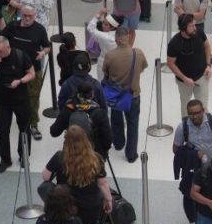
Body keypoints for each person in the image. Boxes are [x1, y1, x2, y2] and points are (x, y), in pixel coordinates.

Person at [42, 126, 113, 224]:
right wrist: (108, 199)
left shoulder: (59, 157)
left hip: (67, 206)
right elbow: (102, 183)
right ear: (86, 140)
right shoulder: (96, 158)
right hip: (91, 207)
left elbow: (46, 176)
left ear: (66, 142)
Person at [1, 4, 51, 141]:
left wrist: (43, 52)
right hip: (13, 69)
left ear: (35, 15)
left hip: (34, 70)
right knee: (11, 96)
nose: (27, 18)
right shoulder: (12, 26)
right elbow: (1, 39)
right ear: (20, 14)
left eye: (30, 15)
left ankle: (33, 125)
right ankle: (18, 121)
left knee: (33, 98)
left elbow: (47, 46)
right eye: (25, 15)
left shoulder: (39, 29)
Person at [103, 26, 148, 162]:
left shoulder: (110, 55)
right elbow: (143, 68)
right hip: (133, 95)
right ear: (128, 37)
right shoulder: (138, 53)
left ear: (116, 38)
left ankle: (118, 143)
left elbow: (106, 73)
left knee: (116, 119)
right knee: (133, 124)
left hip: (116, 95)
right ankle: (131, 154)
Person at [51, 80, 113, 158]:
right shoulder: (100, 113)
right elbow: (108, 141)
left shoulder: (68, 110)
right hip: (95, 155)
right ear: (92, 95)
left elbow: (54, 132)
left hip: (72, 154)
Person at [168, 14, 212, 113]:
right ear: (183, 28)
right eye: (191, 26)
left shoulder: (199, 32)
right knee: (185, 107)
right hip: (183, 81)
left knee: (203, 107)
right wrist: (184, 78)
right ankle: (186, 127)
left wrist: (208, 66)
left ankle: (204, 126)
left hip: (202, 76)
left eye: (195, 25)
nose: (195, 28)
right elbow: (171, 63)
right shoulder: (174, 43)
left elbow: (207, 47)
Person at [86, 9, 124, 80]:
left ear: (113, 27)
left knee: (102, 81)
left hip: (103, 62)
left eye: (106, 24)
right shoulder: (120, 35)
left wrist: (99, 13)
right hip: (117, 64)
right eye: (103, 23)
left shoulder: (104, 37)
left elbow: (90, 28)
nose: (103, 26)